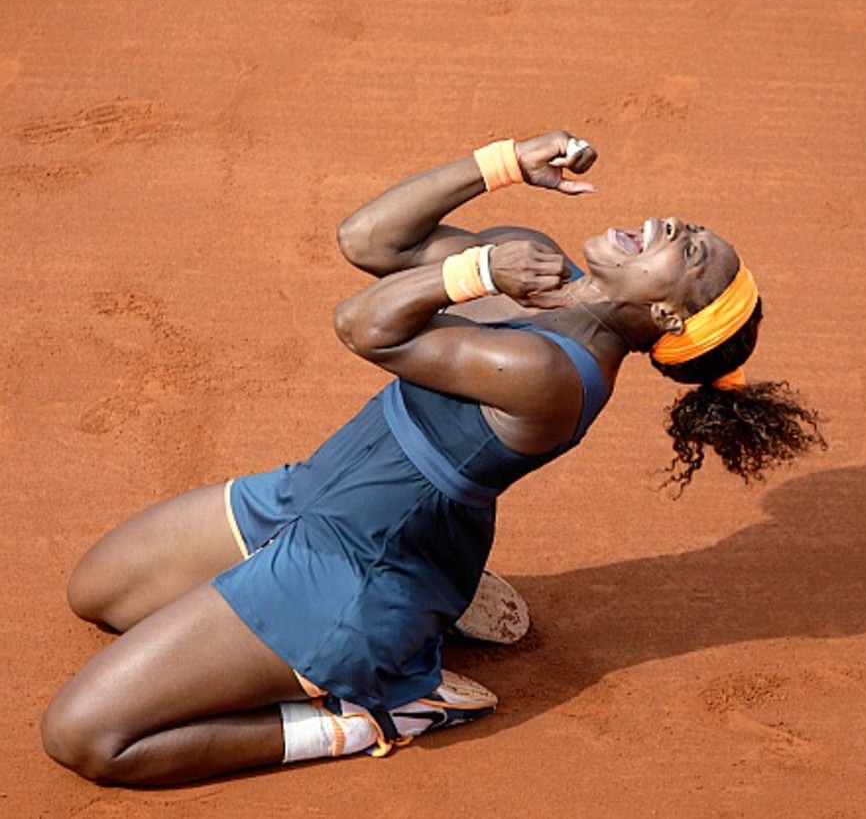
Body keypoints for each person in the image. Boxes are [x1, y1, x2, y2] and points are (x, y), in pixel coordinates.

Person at [40, 129, 825, 786]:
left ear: (662, 311)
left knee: (85, 737)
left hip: (352, 580)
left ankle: (372, 711)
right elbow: (368, 240)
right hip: (317, 497)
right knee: (98, 594)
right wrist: (505, 162)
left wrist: (479, 271)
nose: (671, 223)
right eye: (687, 226)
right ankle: (438, 596)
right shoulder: (540, 269)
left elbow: (363, 325)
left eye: (687, 250)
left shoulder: (550, 377)